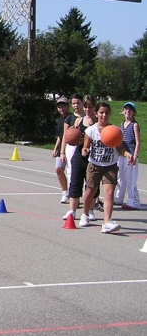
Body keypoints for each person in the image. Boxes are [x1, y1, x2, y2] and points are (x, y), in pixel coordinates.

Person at [81, 102, 134, 233]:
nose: (104, 115)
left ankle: (106, 222)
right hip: (94, 166)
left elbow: (120, 148)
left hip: (110, 166)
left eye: (107, 112)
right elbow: (85, 147)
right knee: (91, 191)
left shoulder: (115, 130)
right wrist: (85, 150)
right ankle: (85, 214)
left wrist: (127, 154)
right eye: (101, 112)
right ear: (96, 113)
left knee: (109, 194)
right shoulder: (91, 130)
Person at [62, 95, 97, 225]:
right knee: (75, 182)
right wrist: (76, 138)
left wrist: (89, 140)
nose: (88, 109)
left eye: (91, 107)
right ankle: (72, 210)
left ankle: (90, 211)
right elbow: (71, 136)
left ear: (95, 107)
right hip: (79, 155)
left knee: (91, 185)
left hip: (93, 157)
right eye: (86, 107)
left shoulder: (98, 121)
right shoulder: (79, 121)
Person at [115, 102, 141, 210]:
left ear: (133, 112)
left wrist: (135, 155)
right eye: (126, 109)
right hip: (122, 154)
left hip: (131, 155)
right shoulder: (121, 124)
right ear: (123, 111)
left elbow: (138, 142)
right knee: (121, 178)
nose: (128, 111)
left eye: (130, 110)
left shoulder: (134, 125)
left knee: (131, 179)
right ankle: (118, 198)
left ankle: (134, 201)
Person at [52, 97, 71, 204]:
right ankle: (65, 192)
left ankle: (73, 195)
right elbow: (60, 136)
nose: (61, 109)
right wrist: (55, 148)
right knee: (58, 169)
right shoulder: (60, 120)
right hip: (61, 149)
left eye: (63, 106)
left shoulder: (71, 118)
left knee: (70, 173)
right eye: (59, 107)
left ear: (68, 106)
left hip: (71, 148)